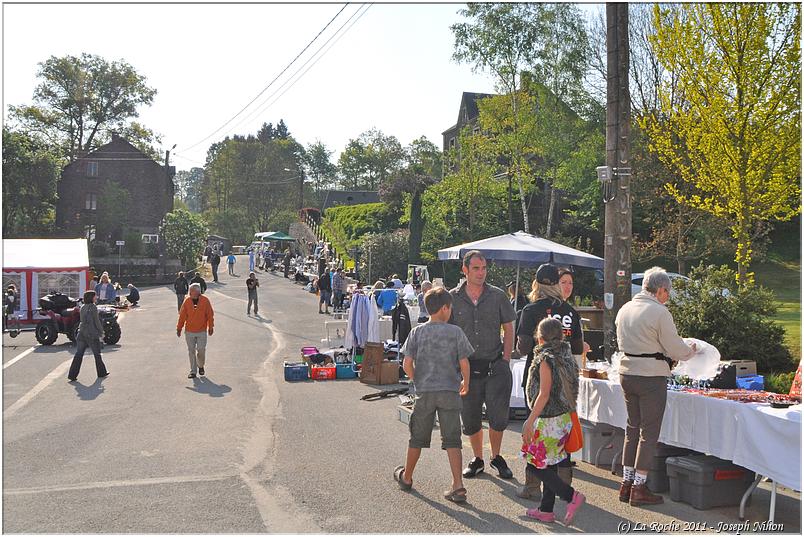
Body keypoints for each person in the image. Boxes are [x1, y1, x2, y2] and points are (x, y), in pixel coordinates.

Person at [616, 267, 696, 506]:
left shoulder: (625, 309)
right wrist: (690, 351)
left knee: (632, 428)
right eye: (667, 292)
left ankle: (626, 483)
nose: (667, 297)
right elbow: (674, 348)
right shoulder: (659, 312)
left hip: (626, 372)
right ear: (660, 290)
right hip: (650, 376)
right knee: (648, 433)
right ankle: (639, 487)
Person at [394, 288, 474, 502]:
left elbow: (407, 363)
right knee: (452, 440)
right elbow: (464, 362)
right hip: (449, 391)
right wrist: (465, 382)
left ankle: (407, 476)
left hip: (425, 392)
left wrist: (415, 379)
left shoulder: (417, 332)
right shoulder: (455, 332)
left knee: (417, 437)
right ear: (445, 308)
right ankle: (458, 485)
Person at [449, 250, 517, 479]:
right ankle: (478, 458)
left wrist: (506, 359)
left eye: (484, 268)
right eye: (476, 268)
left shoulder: (497, 296)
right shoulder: (453, 297)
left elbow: (509, 328)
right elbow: (447, 332)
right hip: (467, 369)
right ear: (464, 270)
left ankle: (496, 456)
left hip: (495, 365)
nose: (481, 272)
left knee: (498, 417)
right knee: (470, 418)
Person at [521, 317, 585, 525]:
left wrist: (529, 420)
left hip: (549, 419)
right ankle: (546, 510)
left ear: (539, 338)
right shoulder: (566, 354)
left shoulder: (545, 359)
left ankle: (570, 496)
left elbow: (544, 393)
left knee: (534, 464)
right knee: (550, 463)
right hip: (564, 418)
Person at [68, 291, 110, 382]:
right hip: (91, 333)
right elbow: (96, 321)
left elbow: (82, 320)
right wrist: (101, 331)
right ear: (91, 297)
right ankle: (101, 372)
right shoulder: (93, 307)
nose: (96, 297)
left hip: (82, 332)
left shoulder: (82, 307)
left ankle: (72, 374)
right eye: (95, 296)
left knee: (79, 354)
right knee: (97, 354)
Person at [176, 283, 215, 379]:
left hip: (202, 331)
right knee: (191, 351)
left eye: (191, 291)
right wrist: (179, 328)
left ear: (197, 292)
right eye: (189, 291)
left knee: (201, 350)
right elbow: (182, 316)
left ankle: (200, 365)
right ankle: (193, 371)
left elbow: (210, 315)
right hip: (189, 331)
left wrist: (211, 327)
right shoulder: (187, 301)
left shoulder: (205, 301)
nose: (189, 293)